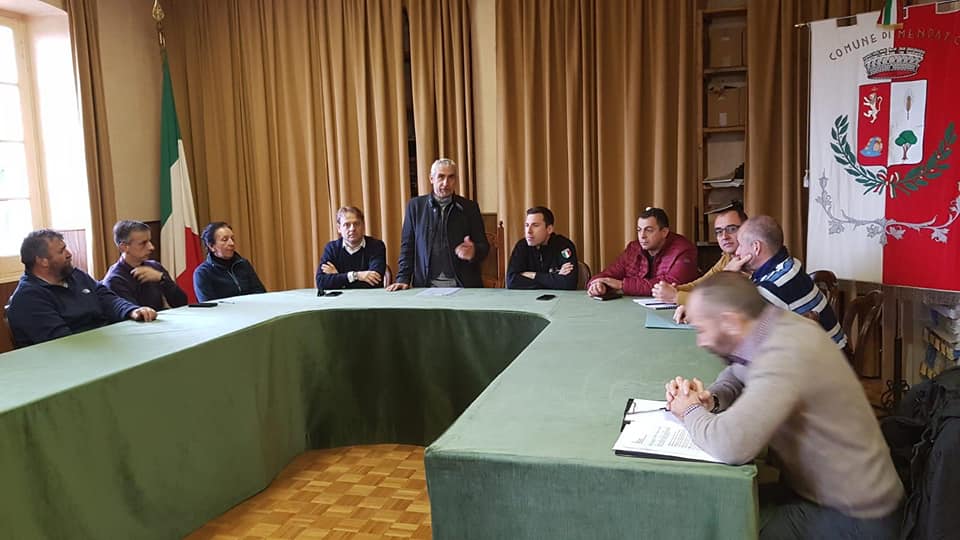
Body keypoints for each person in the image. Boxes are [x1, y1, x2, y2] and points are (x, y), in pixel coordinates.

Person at [664, 272, 902, 539]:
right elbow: (738, 371)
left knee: (723, 525)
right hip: (826, 491)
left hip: (856, 516)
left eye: (702, 330)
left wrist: (690, 410)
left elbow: (731, 445)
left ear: (730, 322)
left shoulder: (785, 353)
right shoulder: (772, 325)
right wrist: (713, 398)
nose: (701, 342)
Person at [6, 229, 157, 347]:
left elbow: (106, 298)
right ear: (42, 261)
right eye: (61, 251)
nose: (69, 254)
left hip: (102, 344)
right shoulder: (28, 298)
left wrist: (131, 310)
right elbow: (61, 342)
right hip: (69, 361)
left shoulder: (75, 275)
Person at [726, 215, 846, 348]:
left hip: (824, 358)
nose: (737, 252)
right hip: (835, 349)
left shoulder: (771, 287)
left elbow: (742, 337)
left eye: (740, 245)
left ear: (756, 247)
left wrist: (726, 277)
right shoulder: (790, 264)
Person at [386, 158, 488, 290]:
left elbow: (484, 247)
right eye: (441, 177)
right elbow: (407, 248)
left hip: (463, 286)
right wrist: (402, 279)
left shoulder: (469, 208)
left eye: (451, 177)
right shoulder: (415, 207)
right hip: (426, 286)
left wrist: (474, 251)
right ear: (431, 179)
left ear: (456, 180)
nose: (446, 183)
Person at [586, 207, 697, 297]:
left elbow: (671, 285)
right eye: (639, 230)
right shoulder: (634, 248)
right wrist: (599, 285)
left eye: (649, 230)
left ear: (664, 232)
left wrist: (622, 285)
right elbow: (607, 275)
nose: (642, 236)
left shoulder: (683, 250)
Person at [653, 203, 746, 305]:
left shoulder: (750, 259)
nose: (724, 236)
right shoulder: (728, 256)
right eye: (719, 231)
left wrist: (676, 296)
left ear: (746, 229)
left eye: (731, 229)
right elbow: (704, 284)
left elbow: (721, 302)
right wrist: (675, 289)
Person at [102, 220, 188, 310]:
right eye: (143, 243)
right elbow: (134, 314)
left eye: (149, 241)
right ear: (124, 247)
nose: (151, 247)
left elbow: (182, 303)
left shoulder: (155, 267)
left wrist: (162, 279)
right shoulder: (115, 280)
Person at [506, 206, 578, 290]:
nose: (529, 231)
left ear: (549, 229)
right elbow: (511, 281)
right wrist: (554, 278)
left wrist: (533, 275)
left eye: (535, 225)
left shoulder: (563, 246)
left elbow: (568, 283)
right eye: (527, 225)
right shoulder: (522, 246)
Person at [316, 206, 387, 290]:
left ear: (363, 225)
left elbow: (375, 282)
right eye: (347, 225)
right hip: (341, 298)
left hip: (370, 297)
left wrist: (338, 276)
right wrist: (357, 276)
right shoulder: (331, 248)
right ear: (339, 228)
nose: (352, 229)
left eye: (356, 224)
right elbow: (321, 282)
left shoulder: (376, 246)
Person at [193, 222, 266, 302]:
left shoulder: (243, 264)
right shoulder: (203, 273)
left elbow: (260, 293)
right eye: (225, 240)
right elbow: (208, 304)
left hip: (252, 308)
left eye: (232, 239)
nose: (231, 243)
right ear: (211, 246)